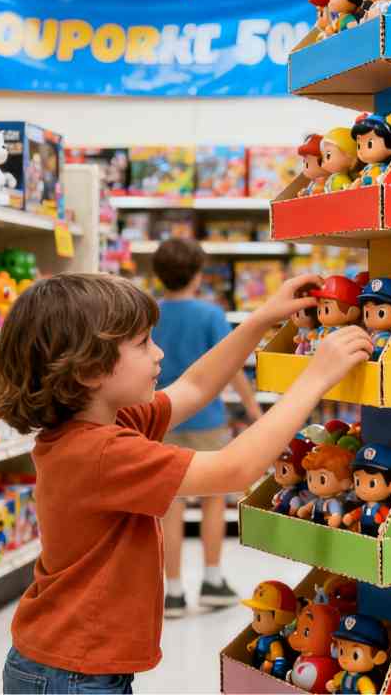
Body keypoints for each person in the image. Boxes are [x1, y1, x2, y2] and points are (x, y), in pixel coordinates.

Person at [0, 271, 371, 693]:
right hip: (70, 675)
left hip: (67, 663)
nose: (159, 353)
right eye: (142, 344)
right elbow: (235, 469)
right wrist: (315, 379)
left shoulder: (106, 421)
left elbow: (195, 385)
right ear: (90, 370)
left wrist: (262, 319)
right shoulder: (99, 452)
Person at [147, 238, 260, 616]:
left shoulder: (151, 314)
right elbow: (231, 368)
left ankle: (172, 590)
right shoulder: (210, 314)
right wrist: (252, 408)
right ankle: (213, 580)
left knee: (169, 505)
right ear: (198, 274)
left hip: (161, 418)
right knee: (214, 499)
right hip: (208, 421)